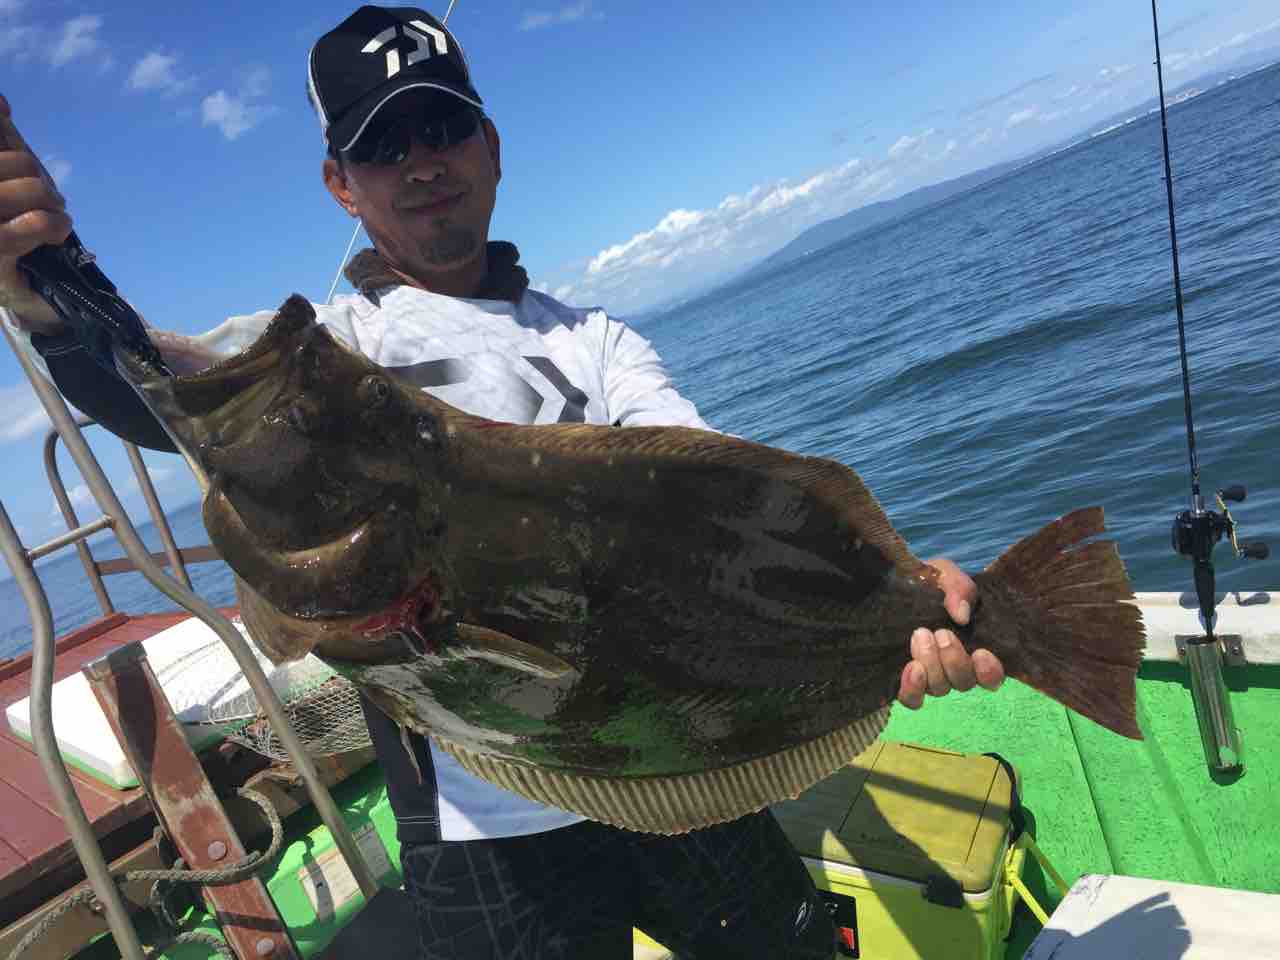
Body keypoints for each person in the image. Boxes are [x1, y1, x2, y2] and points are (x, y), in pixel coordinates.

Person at [0, 7, 1005, 957]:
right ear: (340, 185)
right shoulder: (338, 355)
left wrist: (898, 596)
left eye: (443, 126)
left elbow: (719, 496)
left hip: (685, 749)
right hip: (482, 832)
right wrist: (58, 281)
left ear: (489, 147)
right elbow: (173, 388)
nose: (421, 162)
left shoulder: (593, 339)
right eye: (383, 146)